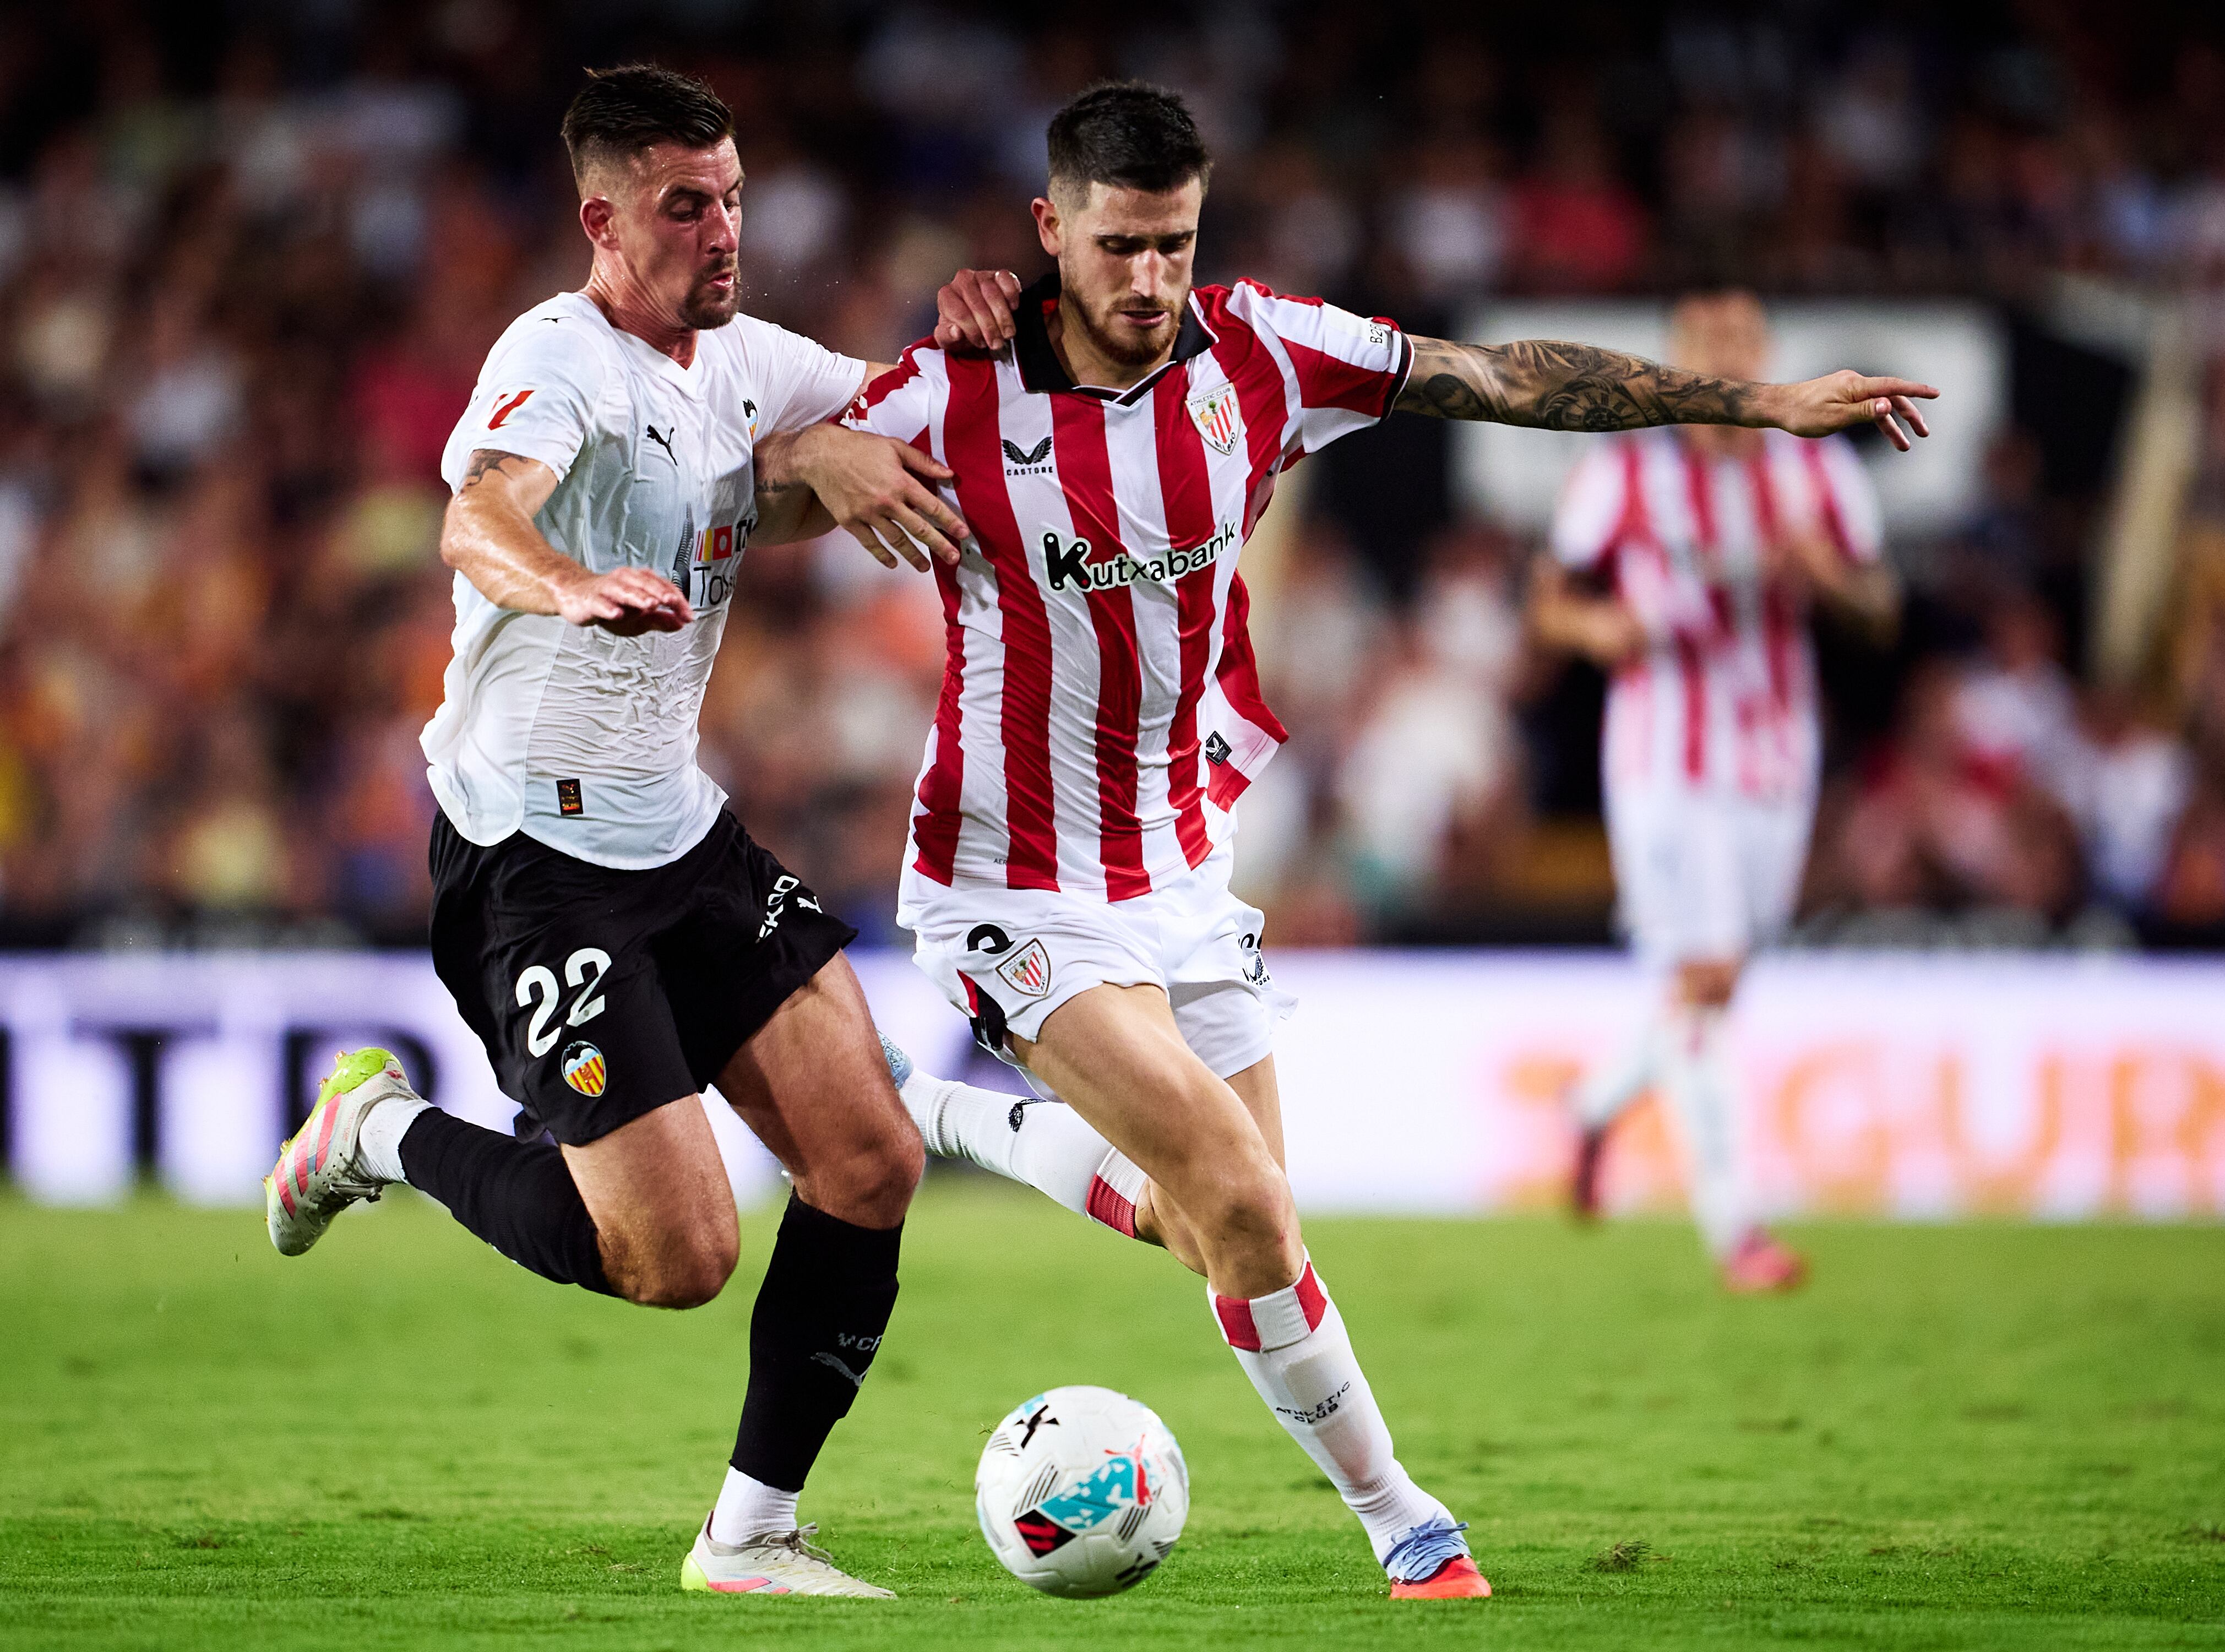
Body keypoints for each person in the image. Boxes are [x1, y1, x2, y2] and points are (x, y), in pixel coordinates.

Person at [777, 85, 1934, 1599]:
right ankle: (1406, 1521)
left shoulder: (1262, 352)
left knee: (1231, 1235)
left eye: (1175, 244)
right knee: (1242, 1198)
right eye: (1119, 246)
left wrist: (1757, 404)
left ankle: (942, 1116)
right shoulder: (951, 392)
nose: (1150, 279)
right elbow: (746, 493)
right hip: (1012, 888)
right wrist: (816, 456)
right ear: (1050, 229)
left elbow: (1505, 378)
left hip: (1183, 873)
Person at [259, 65, 1004, 1600]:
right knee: (679, 1260)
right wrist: (564, 583)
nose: (722, 230)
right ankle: (377, 1134)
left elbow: (914, 409)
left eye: (731, 198)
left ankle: (750, 1538)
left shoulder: (747, 360)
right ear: (602, 221)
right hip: (533, 866)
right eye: (684, 206)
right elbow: (477, 514)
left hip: (680, 833)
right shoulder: (558, 354)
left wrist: (978, 325)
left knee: (869, 1160)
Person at [1530, 291, 1900, 1291]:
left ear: (1766, 350)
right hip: (1663, 756)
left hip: (1777, 757)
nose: (1729, 357)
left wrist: (1828, 577)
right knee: (1702, 978)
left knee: (1719, 984)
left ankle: (1593, 1107)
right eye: (1709, 343)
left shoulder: (1816, 468)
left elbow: (1881, 609)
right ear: (1681, 357)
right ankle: (1738, 1230)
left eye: (1744, 340)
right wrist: (1599, 630)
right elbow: (1549, 603)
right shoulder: (1625, 471)